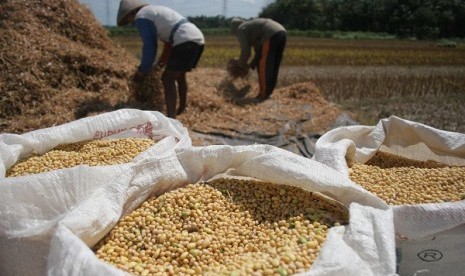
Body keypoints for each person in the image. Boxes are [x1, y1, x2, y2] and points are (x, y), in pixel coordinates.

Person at [117, 0, 205, 118]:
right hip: (197, 38)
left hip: (184, 40)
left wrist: (143, 71)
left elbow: (150, 46)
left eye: (128, 20)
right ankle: (182, 108)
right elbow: (168, 46)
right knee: (179, 75)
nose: (132, 23)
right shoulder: (154, 12)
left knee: (167, 78)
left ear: (131, 13)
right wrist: (159, 66)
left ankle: (171, 119)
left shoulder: (141, 16)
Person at [230, 17, 286, 101]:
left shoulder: (240, 29)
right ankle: (268, 92)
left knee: (263, 66)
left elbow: (246, 51)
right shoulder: (251, 28)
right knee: (273, 66)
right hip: (282, 33)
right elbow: (259, 50)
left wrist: (240, 64)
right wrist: (252, 63)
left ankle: (262, 95)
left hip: (270, 34)